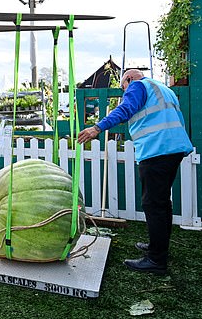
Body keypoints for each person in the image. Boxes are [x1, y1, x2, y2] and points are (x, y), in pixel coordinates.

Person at [77, 69, 193, 275]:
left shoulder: (138, 86)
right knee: (162, 202)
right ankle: (159, 248)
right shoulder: (164, 89)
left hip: (156, 149)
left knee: (153, 204)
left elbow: (126, 109)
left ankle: (157, 260)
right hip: (174, 148)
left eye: (123, 87)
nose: (125, 92)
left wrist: (97, 128)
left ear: (129, 79)